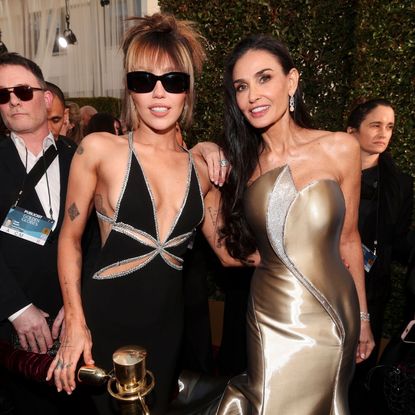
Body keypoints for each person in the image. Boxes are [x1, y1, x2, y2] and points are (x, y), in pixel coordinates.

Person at [47, 13, 247, 415]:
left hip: (166, 328)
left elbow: (229, 254)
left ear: (188, 91)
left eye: (173, 81)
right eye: (144, 80)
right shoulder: (100, 149)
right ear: (130, 89)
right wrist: (74, 322)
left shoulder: (203, 169)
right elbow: (69, 239)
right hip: (102, 323)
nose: (159, 94)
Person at [215, 35, 375, 415]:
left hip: (336, 315)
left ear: (292, 81)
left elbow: (350, 241)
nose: (252, 94)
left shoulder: (340, 148)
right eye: (242, 86)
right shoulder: (242, 166)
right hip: (272, 316)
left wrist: (364, 319)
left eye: (264, 78)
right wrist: (204, 150)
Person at [0, 53, 93, 414]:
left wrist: (77, 306)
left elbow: (101, 240)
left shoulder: (82, 157)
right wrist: (17, 309)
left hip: (80, 322)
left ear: (46, 97)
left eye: (23, 90)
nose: (12, 100)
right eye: (3, 94)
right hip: (16, 335)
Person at [346, 98, 413, 414]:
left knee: (360, 372)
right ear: (351, 131)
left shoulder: (400, 184)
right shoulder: (327, 177)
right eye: (375, 124)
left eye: (389, 126)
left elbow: (399, 240)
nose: (383, 133)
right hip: (328, 285)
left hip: (373, 293)